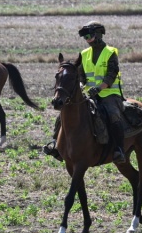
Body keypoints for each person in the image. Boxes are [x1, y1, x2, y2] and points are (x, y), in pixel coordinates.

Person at [43, 21, 126, 164]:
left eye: (89, 35)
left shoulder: (110, 52)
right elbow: (81, 76)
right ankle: (56, 145)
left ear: (98, 34)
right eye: (85, 36)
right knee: (63, 114)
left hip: (109, 94)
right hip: (88, 94)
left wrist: (99, 88)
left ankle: (119, 149)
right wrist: (82, 86)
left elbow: (111, 75)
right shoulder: (84, 54)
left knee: (113, 115)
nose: (87, 39)